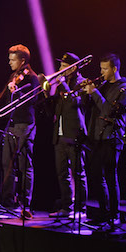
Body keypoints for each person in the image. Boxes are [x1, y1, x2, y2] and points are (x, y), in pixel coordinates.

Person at [0, 44, 40, 218]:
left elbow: (33, 101)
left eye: (12, 59)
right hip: (11, 124)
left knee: (25, 165)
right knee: (6, 164)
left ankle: (26, 204)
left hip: (25, 125)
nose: (9, 62)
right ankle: (7, 201)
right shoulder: (14, 75)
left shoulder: (32, 78)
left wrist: (17, 92)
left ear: (22, 60)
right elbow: (5, 90)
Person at [82, 54, 126, 227]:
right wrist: (87, 93)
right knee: (96, 176)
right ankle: (103, 212)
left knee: (110, 176)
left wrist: (94, 92)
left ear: (114, 69)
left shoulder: (124, 88)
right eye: (101, 68)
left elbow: (108, 110)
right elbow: (92, 107)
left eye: (104, 69)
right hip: (97, 136)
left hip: (112, 137)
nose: (101, 72)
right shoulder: (103, 86)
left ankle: (114, 213)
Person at [46, 53, 88, 218]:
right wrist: (46, 94)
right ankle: (66, 207)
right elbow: (51, 112)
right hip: (59, 134)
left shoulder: (82, 83)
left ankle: (80, 209)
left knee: (78, 172)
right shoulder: (61, 86)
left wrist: (64, 85)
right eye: (60, 66)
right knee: (61, 173)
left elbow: (77, 103)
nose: (60, 70)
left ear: (74, 67)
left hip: (75, 134)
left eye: (64, 67)